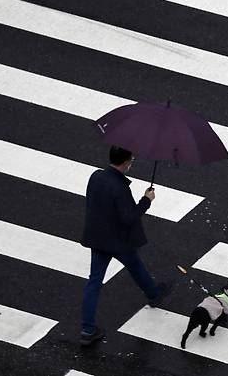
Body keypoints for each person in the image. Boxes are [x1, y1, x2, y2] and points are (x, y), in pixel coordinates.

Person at [79, 146, 167, 345]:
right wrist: (146, 200)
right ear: (126, 163)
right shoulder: (120, 188)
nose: (131, 164)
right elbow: (129, 218)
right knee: (135, 265)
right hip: (118, 240)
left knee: (94, 281)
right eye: (131, 161)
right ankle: (153, 294)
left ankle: (87, 329)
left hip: (98, 237)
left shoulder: (96, 176)